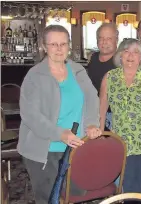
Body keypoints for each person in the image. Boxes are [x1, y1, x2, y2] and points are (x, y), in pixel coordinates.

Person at [17, 25, 101, 204]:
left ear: (69, 46)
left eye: (63, 44)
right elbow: (31, 115)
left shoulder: (78, 70)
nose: (59, 48)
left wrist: (92, 124)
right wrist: (59, 133)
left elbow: (92, 98)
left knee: (75, 196)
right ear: (44, 46)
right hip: (44, 150)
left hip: (75, 147)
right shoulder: (35, 76)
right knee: (49, 199)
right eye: (53, 44)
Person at [99, 38, 141, 196]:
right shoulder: (109, 78)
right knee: (129, 186)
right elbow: (101, 109)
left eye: (136, 52)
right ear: (120, 55)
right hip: (123, 142)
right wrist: (101, 134)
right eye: (126, 51)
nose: (130, 55)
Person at [87, 23, 118, 130]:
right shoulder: (93, 58)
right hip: (93, 113)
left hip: (114, 116)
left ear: (116, 40)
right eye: (101, 38)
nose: (104, 42)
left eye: (109, 38)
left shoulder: (123, 61)